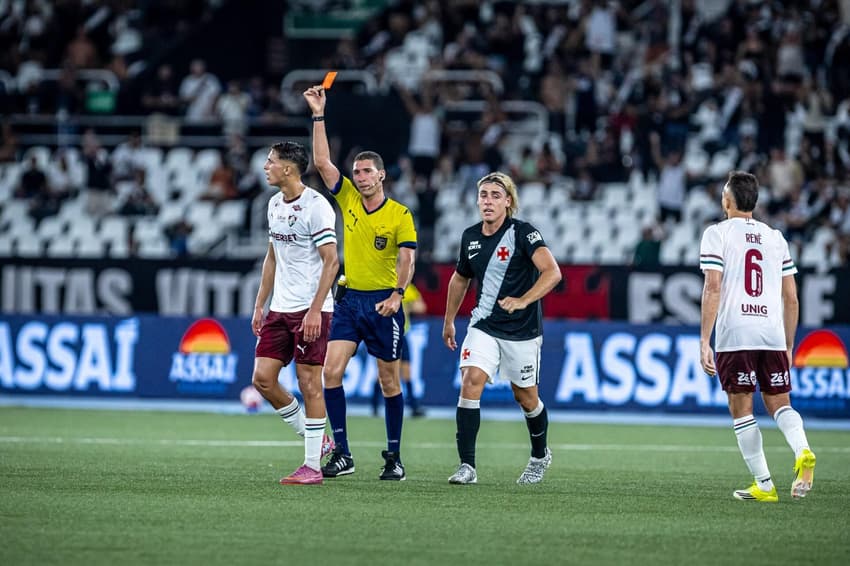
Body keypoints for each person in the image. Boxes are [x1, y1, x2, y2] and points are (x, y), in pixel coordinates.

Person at [303, 85, 417, 481]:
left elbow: (407, 258)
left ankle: (395, 457)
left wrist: (398, 294)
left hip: (384, 305)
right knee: (330, 373)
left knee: (389, 380)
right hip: (350, 300)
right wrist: (319, 114)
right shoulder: (348, 198)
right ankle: (344, 453)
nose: (360, 176)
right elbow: (321, 161)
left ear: (382, 175)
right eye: (356, 171)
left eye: (367, 171)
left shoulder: (400, 214)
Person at [699, 170, 816, 502]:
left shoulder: (716, 234)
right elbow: (791, 298)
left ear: (727, 200)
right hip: (772, 332)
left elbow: (713, 286)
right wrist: (789, 343)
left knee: (741, 407)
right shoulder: (775, 237)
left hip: (737, 332)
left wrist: (704, 340)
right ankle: (803, 450)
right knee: (780, 403)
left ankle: (764, 483)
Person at [442, 171, 562, 485]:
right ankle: (467, 466)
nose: (488, 201)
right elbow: (460, 279)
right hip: (483, 324)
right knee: (471, 380)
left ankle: (539, 455)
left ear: (508, 202)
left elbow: (552, 273)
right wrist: (448, 321)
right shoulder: (470, 237)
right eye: (484, 195)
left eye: (496, 195)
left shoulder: (524, 233)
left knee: (526, 398)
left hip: (522, 331)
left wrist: (524, 300)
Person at [252, 141, 339, 485]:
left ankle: (312, 468)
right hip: (280, 308)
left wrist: (317, 309)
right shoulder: (274, 204)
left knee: (309, 384)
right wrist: (260, 303)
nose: (265, 166)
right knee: (262, 379)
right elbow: (272, 258)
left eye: (270, 161)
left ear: (288, 169)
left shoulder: (317, 207)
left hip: (309, 308)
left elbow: (332, 261)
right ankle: (318, 441)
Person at [371, 283, 428, 418]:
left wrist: (409, 304)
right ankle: (374, 405)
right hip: (385, 334)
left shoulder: (407, 287)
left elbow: (422, 307)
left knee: (406, 371)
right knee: (383, 371)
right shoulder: (383, 286)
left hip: (402, 335)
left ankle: (413, 406)